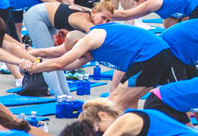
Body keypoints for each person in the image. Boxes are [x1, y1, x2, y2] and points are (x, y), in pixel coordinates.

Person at [28, 11, 174, 107]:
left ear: (79, 45)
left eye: (79, 53)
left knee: (114, 101)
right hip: (156, 54)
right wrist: (31, 54)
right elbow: (63, 60)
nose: (82, 59)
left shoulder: (91, 38)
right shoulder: (88, 48)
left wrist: (33, 68)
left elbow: (60, 63)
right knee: (129, 101)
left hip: (151, 55)